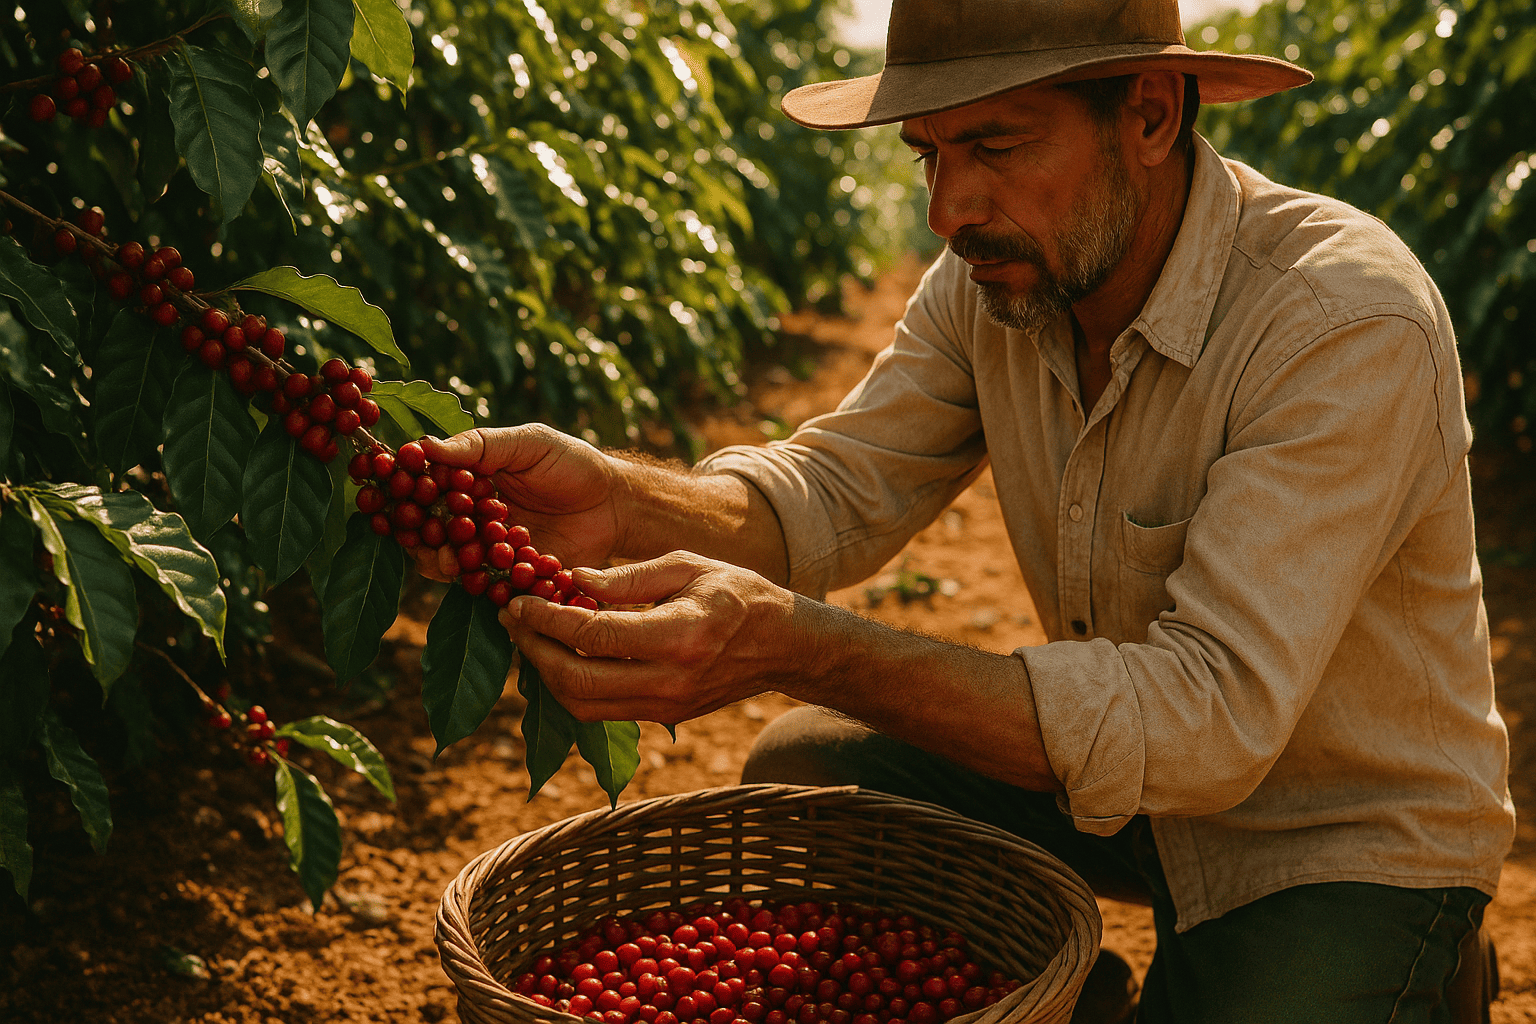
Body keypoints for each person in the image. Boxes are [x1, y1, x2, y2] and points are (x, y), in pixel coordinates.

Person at [417, 0, 1514, 1019]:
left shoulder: (1340, 321)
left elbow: (1207, 719)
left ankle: (1425, 962)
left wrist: (804, 645)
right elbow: (833, 489)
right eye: (929, 155)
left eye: (993, 146)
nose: (948, 210)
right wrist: (621, 499)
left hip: (1341, 834)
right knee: (810, 767)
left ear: (1149, 110)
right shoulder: (1000, 277)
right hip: (1142, 793)